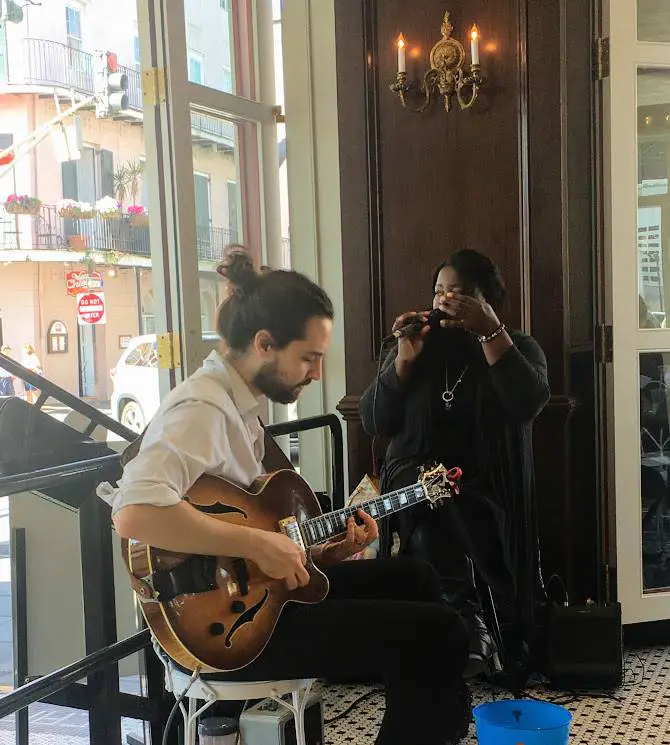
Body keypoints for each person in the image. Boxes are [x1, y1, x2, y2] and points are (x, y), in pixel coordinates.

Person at [98, 250, 471, 745]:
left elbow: (257, 529)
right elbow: (134, 513)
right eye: (309, 357)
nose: (316, 373)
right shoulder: (201, 408)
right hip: (229, 630)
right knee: (439, 632)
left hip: (261, 597)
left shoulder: (239, 405)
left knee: (417, 576)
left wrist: (318, 553)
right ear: (264, 344)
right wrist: (259, 547)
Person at [359, 249, 550, 680]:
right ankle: (480, 622)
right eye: (439, 291)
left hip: (484, 484)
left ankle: (462, 626)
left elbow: (528, 403)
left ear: (486, 300)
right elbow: (375, 420)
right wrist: (403, 358)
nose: (445, 300)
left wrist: (489, 333)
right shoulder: (417, 345)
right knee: (432, 490)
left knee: (438, 520)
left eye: (458, 293)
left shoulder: (517, 346)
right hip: (411, 478)